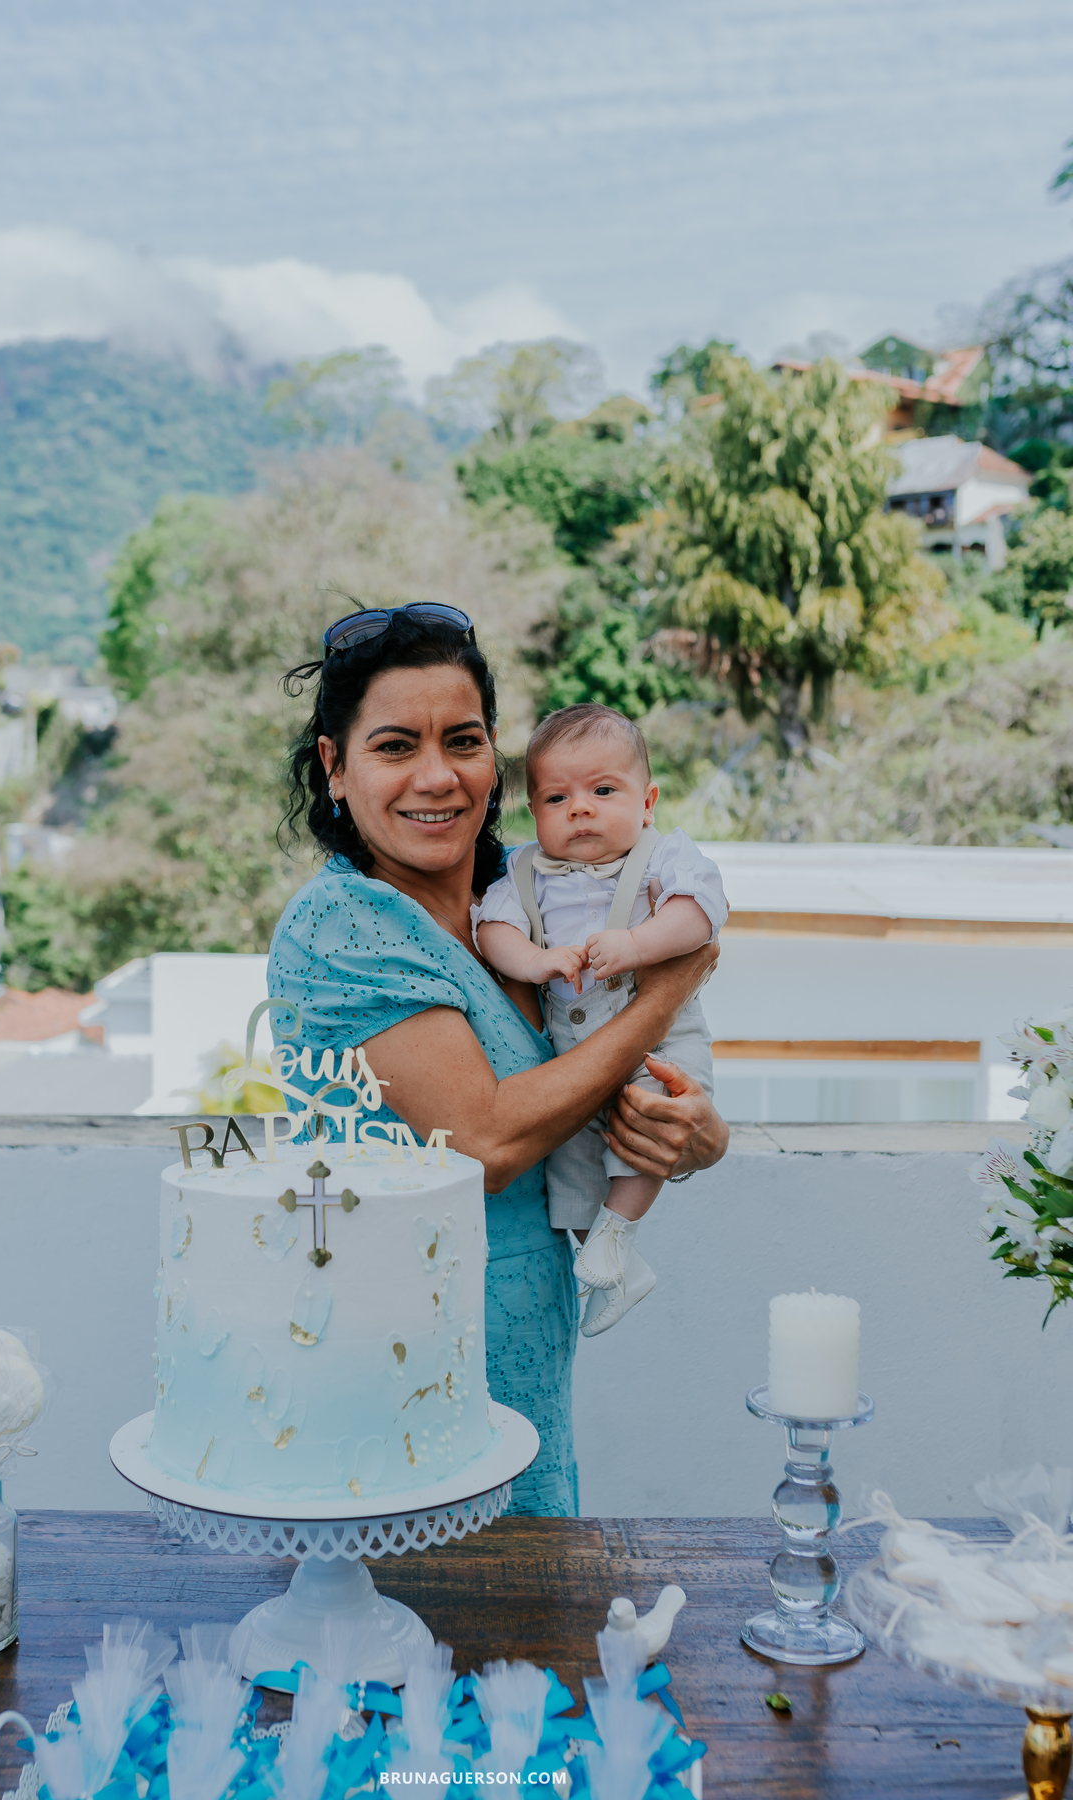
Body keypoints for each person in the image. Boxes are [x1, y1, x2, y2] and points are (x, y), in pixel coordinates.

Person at [267, 602, 729, 1516]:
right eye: (396, 745)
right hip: (401, 1368)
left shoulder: (523, 894)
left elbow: (604, 1091)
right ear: (336, 767)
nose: (437, 777)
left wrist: (694, 1130)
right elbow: (482, 1142)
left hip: (523, 1356)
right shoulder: (349, 926)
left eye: (465, 741)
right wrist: (670, 990)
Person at [474, 703, 728, 1338]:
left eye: (603, 790)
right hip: (571, 1053)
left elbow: (703, 912)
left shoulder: (663, 855)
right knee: (574, 1157)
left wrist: (639, 945)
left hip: (658, 1043)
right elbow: (492, 927)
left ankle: (619, 1232)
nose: (580, 808)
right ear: (534, 813)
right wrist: (534, 960)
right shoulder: (524, 870)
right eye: (557, 797)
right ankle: (616, 1263)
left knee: (645, 1121)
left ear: (648, 802)